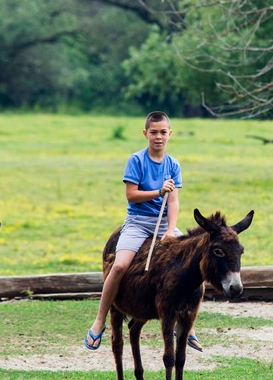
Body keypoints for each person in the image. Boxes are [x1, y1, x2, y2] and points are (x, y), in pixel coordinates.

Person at [84, 111, 202, 352]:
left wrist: (170, 230)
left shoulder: (173, 164)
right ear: (145, 134)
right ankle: (98, 321)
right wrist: (158, 191)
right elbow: (131, 195)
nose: (158, 137)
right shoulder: (136, 160)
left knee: (192, 264)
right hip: (138, 222)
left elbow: (174, 202)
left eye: (162, 133)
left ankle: (189, 326)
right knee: (118, 266)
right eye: (153, 133)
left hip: (163, 224)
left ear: (170, 134)